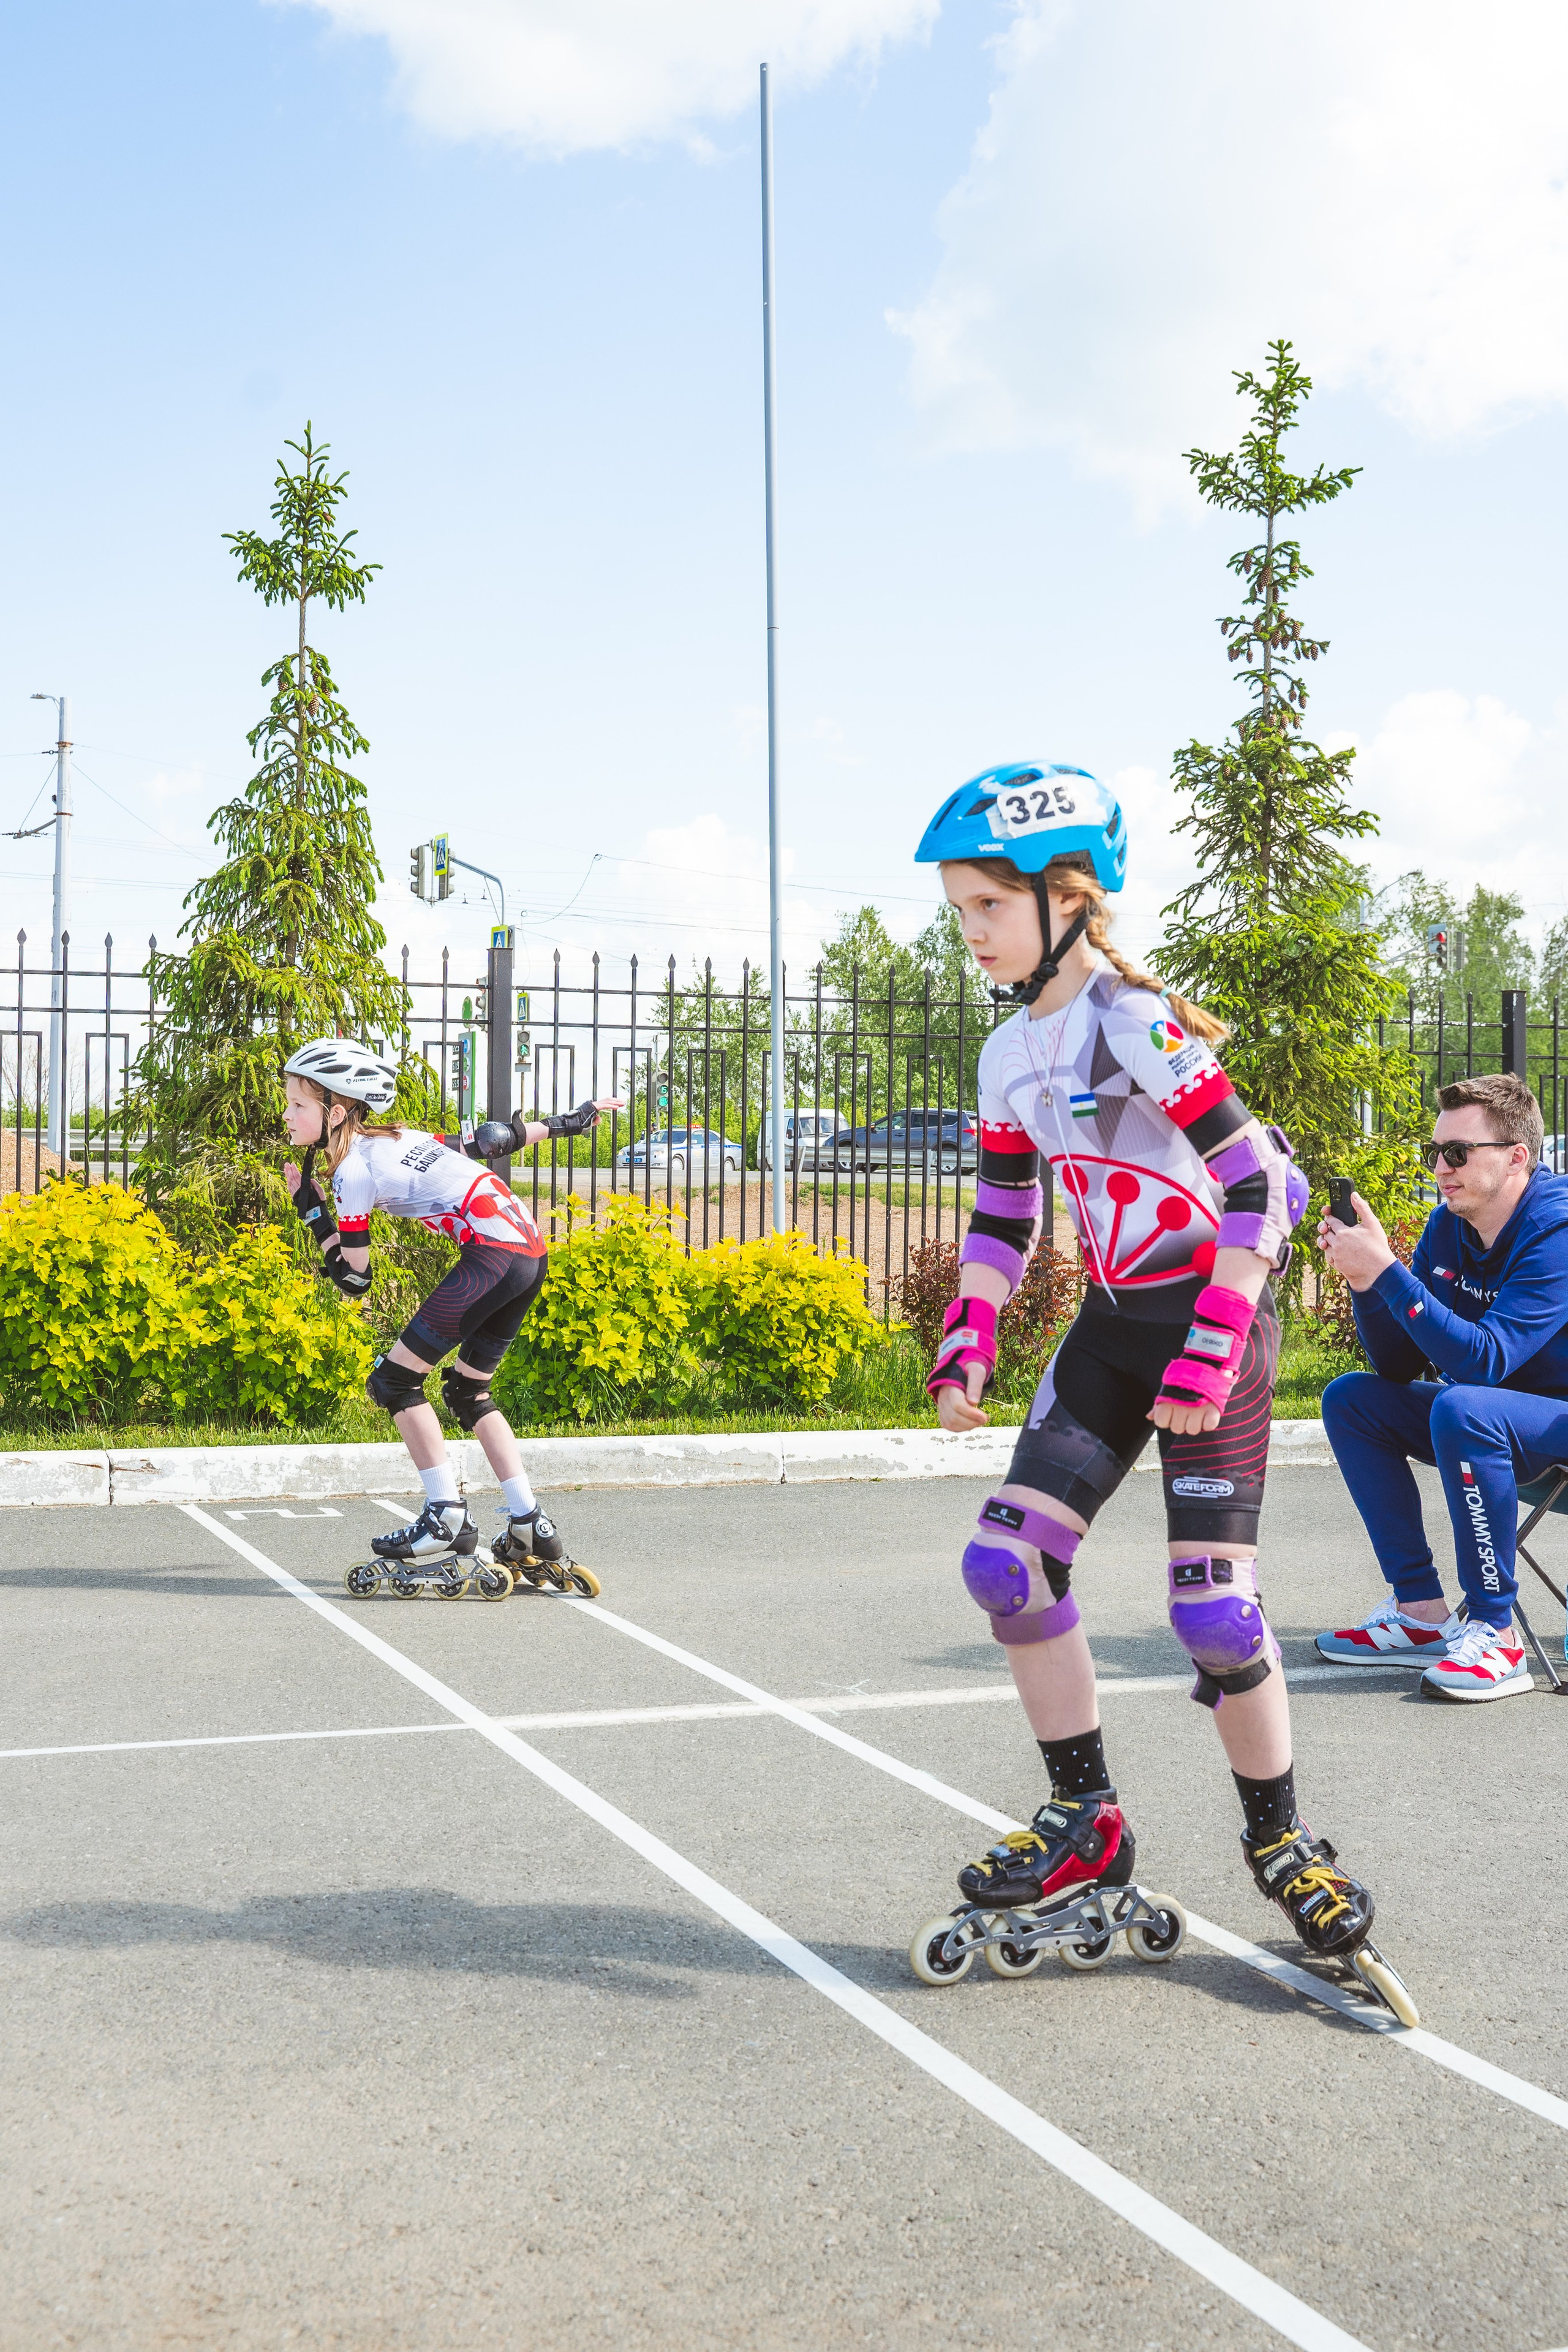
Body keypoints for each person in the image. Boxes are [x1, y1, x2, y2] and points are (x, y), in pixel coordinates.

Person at [914, 761, 1405, 2002]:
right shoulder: (1004, 1052)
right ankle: (1085, 1819)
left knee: (1213, 1616)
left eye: (983, 908)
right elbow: (1002, 1210)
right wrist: (967, 1331)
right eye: (958, 911)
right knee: (1004, 1566)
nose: (966, 933)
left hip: (1214, 1331)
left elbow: (1256, 1190)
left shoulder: (1133, 1024)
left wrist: (1210, 1340)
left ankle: (1279, 1841)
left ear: (1065, 900)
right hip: (1118, 1326)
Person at [280, 1038, 621, 1587]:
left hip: (492, 1255)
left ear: (335, 1112)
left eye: (298, 1104)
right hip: (529, 1254)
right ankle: (530, 1523)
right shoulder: (400, 1136)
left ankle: (446, 1517)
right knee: (467, 1392)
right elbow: (491, 1140)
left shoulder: (351, 1174)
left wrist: (313, 1214)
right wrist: (567, 1123)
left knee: (393, 1383)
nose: (287, 1114)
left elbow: (353, 1278)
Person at [1315, 1071, 1568, 1700]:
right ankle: (1422, 1615)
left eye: (1457, 1153)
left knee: (1464, 1405)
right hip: (1491, 1423)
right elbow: (1397, 1367)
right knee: (1350, 1399)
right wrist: (1367, 1280)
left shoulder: (1556, 1229)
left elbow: (1485, 1361)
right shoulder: (1447, 1225)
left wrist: (1389, 1273)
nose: (1440, 1167)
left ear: (1516, 1158)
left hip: (1550, 1424)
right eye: (1434, 1153)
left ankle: (1493, 1630)